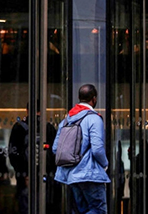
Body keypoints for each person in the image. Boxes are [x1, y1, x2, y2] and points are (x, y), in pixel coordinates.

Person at [53, 84, 110, 214]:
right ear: (94, 99)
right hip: (90, 175)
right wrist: (105, 165)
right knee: (98, 210)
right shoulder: (94, 119)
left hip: (71, 176)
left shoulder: (66, 121)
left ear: (79, 98)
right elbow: (97, 149)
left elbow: (56, 149)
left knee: (81, 210)